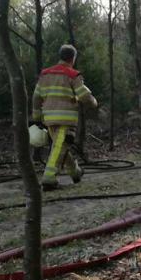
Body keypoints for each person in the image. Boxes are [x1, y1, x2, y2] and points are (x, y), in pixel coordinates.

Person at [31, 45, 98, 191]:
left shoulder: (45, 74)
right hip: (65, 120)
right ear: (73, 58)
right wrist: (93, 102)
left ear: (60, 56)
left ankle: (75, 172)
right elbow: (84, 95)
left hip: (48, 119)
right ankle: (49, 179)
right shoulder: (72, 75)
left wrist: (36, 116)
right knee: (59, 147)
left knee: (60, 146)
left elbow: (36, 97)